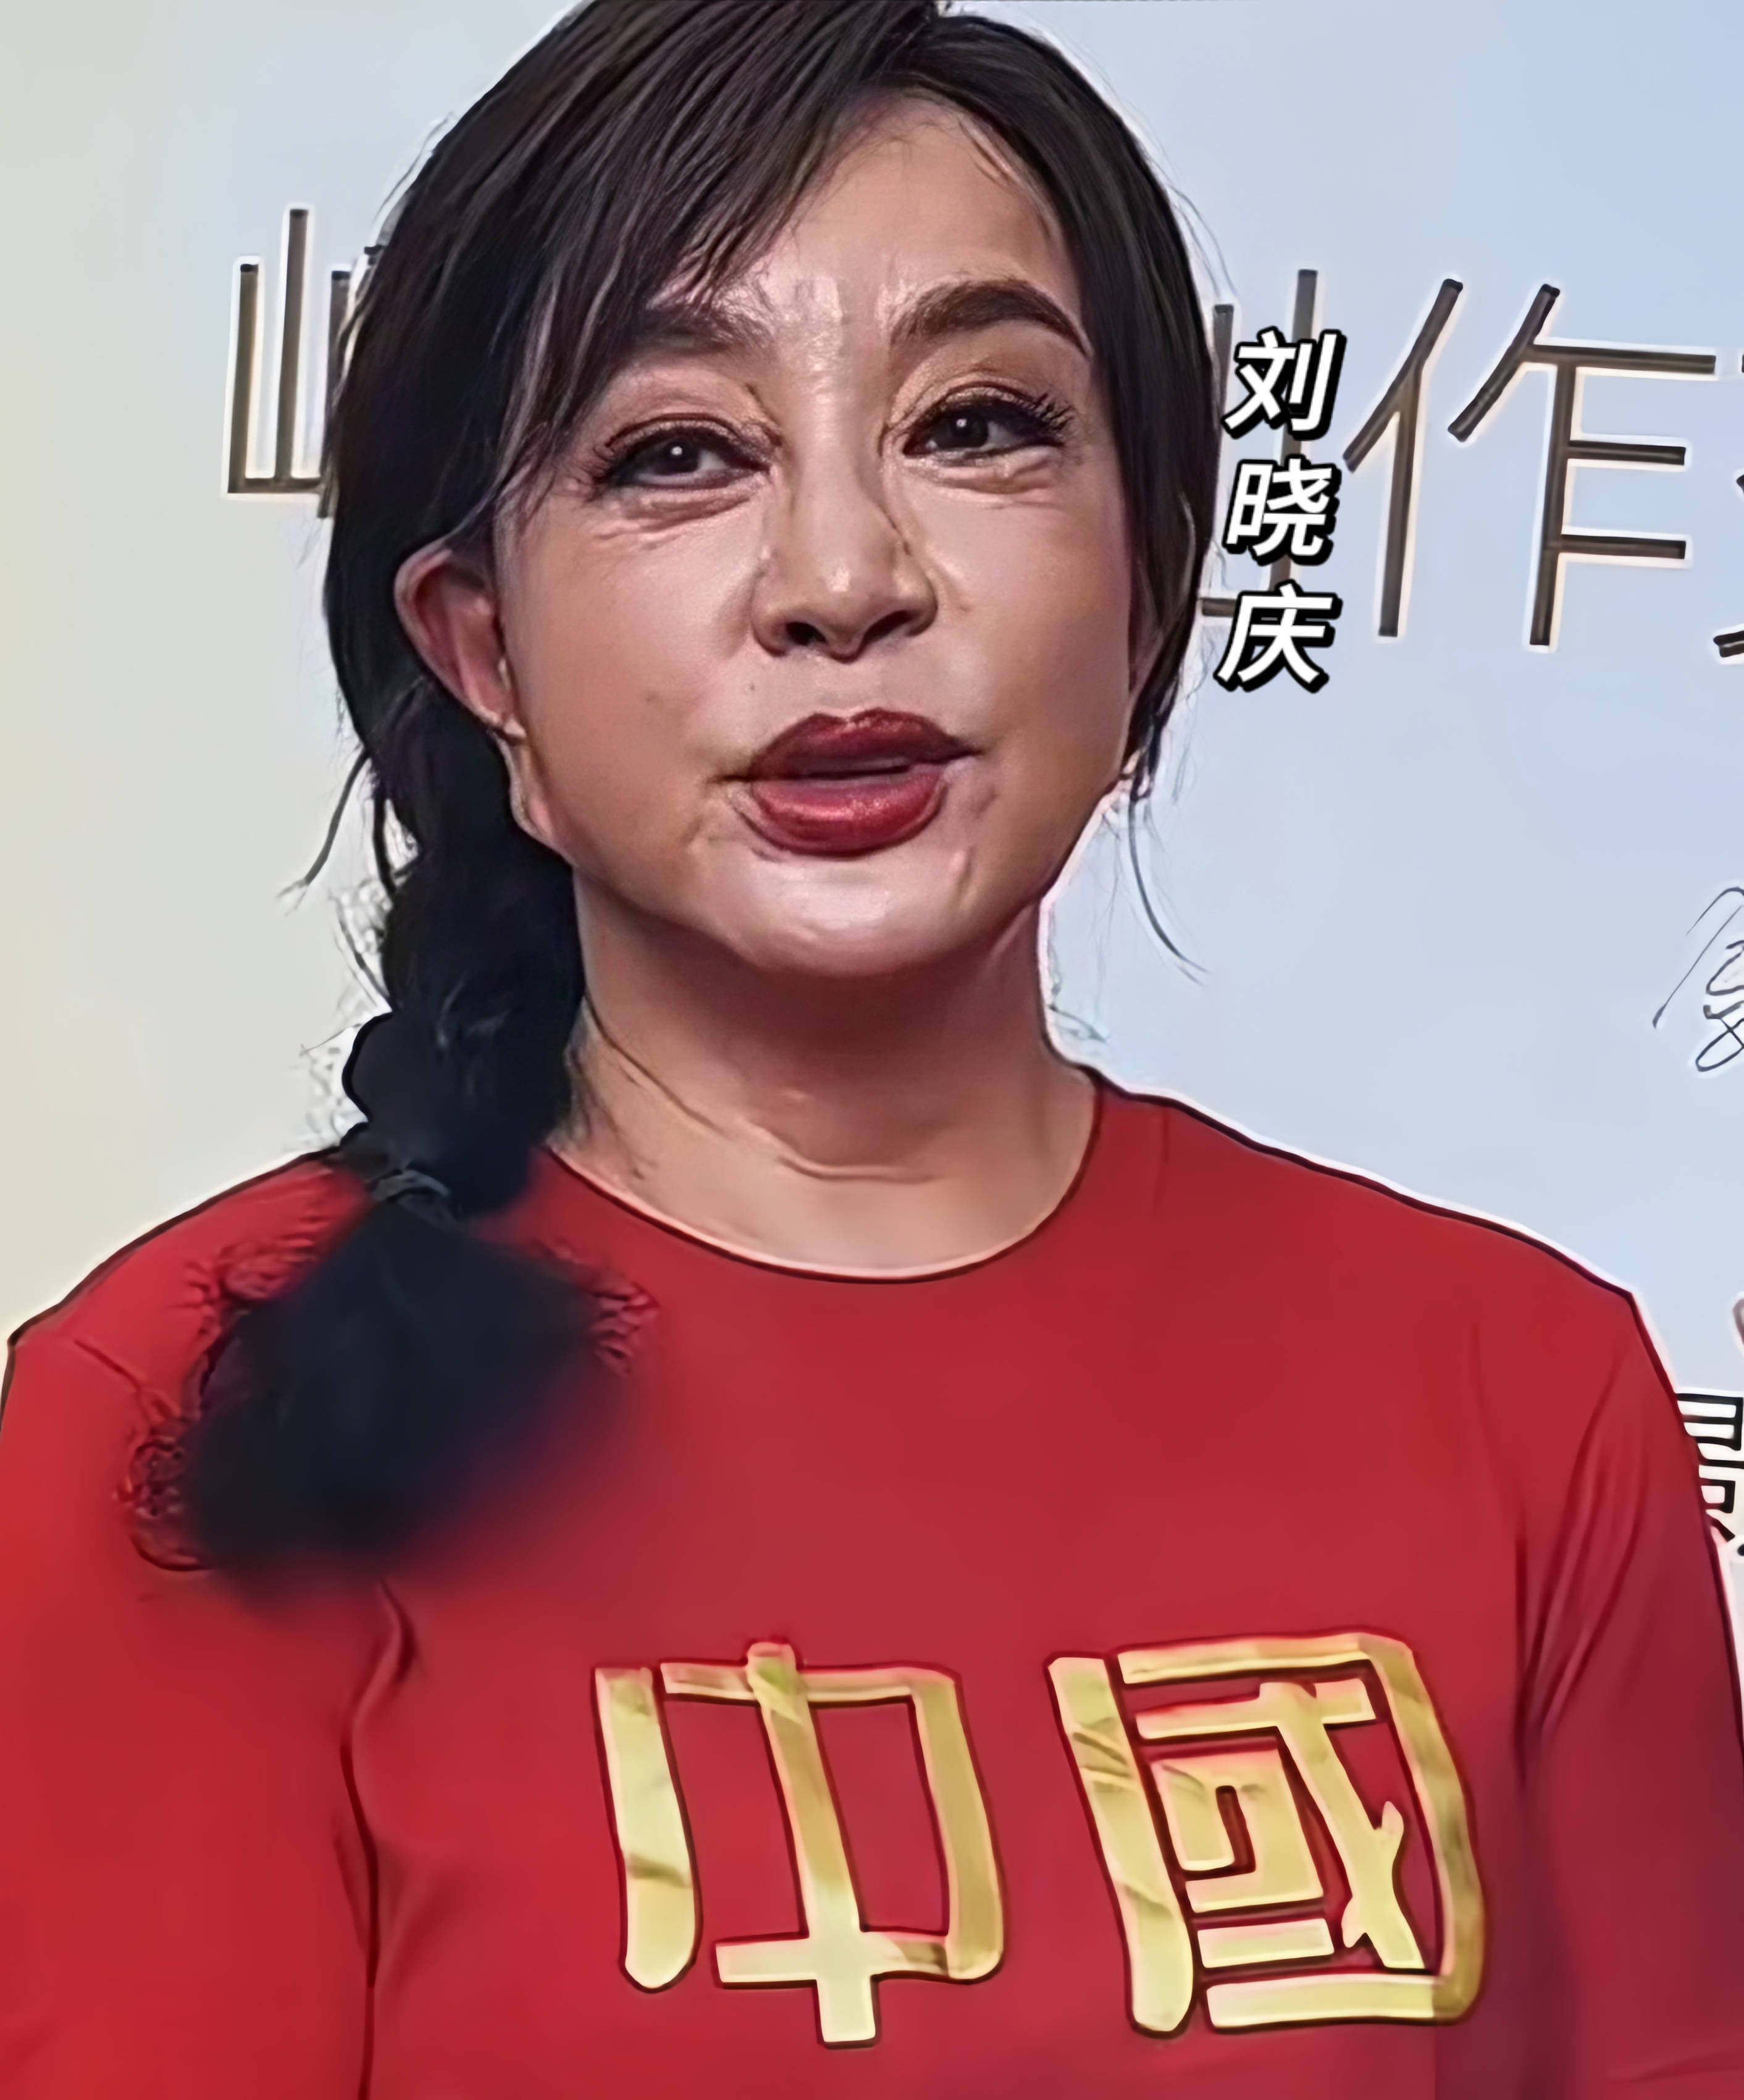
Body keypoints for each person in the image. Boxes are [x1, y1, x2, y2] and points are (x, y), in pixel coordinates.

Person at [2, 0, 1741, 2093]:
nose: (843, 581)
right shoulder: (193, 1413)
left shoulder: (1525, 1394)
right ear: (486, 653)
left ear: (1152, 584)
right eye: (677, 453)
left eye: (977, 424)